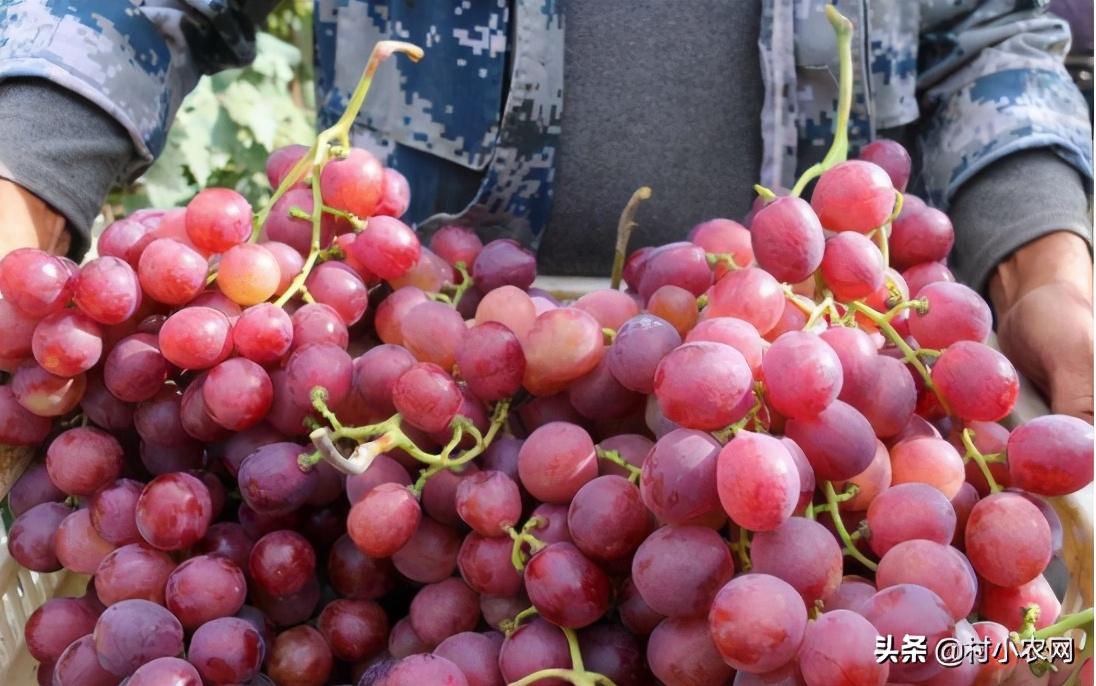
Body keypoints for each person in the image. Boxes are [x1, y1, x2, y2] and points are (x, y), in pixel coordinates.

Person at [0, 1, 1091, 420]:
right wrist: (20, 185)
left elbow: (984, 35)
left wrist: (1044, 273)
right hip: (400, 411)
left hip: (800, 419)